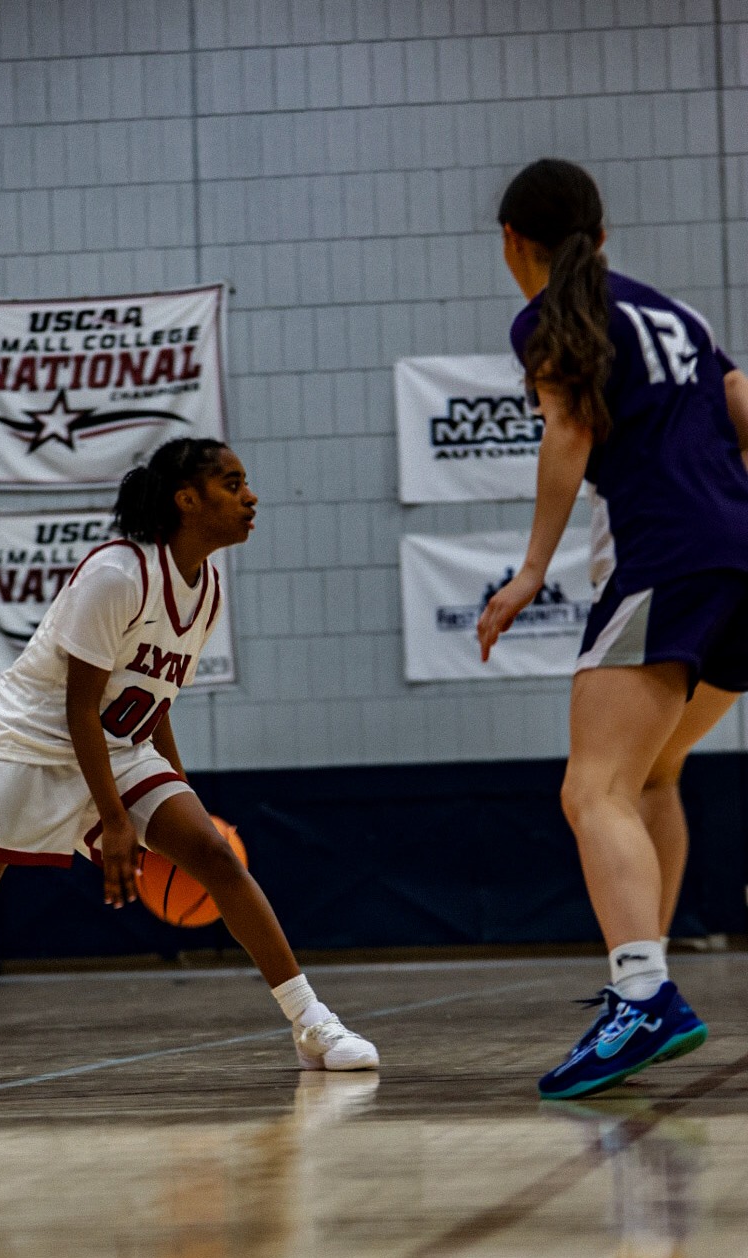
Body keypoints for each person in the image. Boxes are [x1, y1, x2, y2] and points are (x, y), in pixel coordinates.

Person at [0, 438, 379, 1085]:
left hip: (116, 745)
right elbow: (79, 708)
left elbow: (155, 700)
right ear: (186, 499)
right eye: (233, 483)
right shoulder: (117, 574)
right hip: (26, 745)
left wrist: (180, 798)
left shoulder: (208, 588)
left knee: (216, 856)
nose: (251, 497)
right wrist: (116, 821)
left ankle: (311, 1022)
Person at [477, 158, 748, 1100]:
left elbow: (567, 437)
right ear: (604, 235)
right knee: (654, 772)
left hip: (669, 557)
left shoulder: (547, 316)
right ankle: (649, 976)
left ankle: (642, 994)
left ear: (515, 243)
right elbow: (743, 412)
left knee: (591, 789)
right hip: (737, 554)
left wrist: (530, 572)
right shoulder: (678, 316)